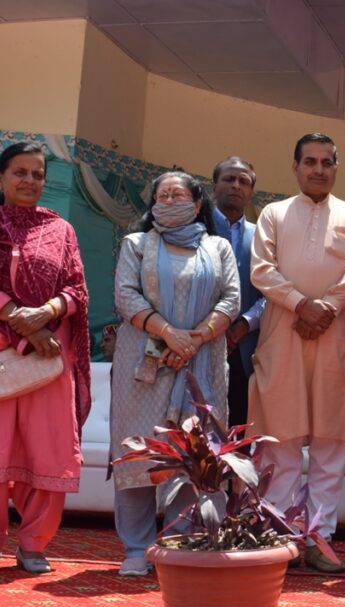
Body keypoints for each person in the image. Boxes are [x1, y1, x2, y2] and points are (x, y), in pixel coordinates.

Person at [0, 142, 91, 574]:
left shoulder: (61, 230)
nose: (30, 180)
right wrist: (21, 320)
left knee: (48, 448)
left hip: (48, 356)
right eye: (20, 172)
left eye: (38, 174)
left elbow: (76, 290)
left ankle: (34, 545)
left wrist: (46, 313)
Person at [247, 133, 345, 574]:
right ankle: (281, 537)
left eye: (326, 162)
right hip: (283, 335)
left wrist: (325, 309)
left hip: (334, 338)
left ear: (336, 167)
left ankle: (320, 538)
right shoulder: (274, 213)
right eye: (310, 162)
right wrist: (302, 305)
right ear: (295, 167)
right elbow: (261, 270)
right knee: (280, 443)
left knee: (329, 446)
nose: (318, 169)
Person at [111, 171, 240, 577]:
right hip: (144, 366)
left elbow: (232, 299)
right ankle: (136, 548)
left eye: (177, 195)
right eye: (161, 196)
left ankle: (179, 542)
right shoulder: (136, 244)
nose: (168, 201)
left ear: (197, 204)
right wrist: (169, 333)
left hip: (203, 363)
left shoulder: (218, 247)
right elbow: (125, 295)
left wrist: (194, 339)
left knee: (193, 454)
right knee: (139, 455)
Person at [212, 157, 265, 427]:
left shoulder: (263, 236)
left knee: (239, 438)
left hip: (245, 349)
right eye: (229, 179)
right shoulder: (194, 230)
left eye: (243, 181)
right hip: (200, 347)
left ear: (251, 193)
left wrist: (244, 324)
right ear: (213, 187)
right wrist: (215, 327)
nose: (236, 185)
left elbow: (273, 291)